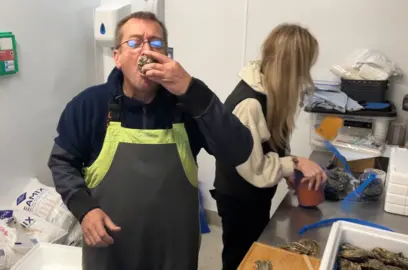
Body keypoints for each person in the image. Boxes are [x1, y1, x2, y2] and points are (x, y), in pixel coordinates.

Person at [48, 11, 255, 270]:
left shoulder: (188, 105)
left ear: (166, 55)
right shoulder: (88, 105)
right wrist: (84, 209)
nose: (146, 50)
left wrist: (192, 90)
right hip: (110, 250)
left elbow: (240, 150)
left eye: (156, 44)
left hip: (174, 254)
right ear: (117, 57)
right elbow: (62, 163)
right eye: (134, 43)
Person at [211, 23, 328, 270]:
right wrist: (293, 163)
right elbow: (255, 169)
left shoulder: (270, 90)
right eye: (304, 65)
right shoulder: (250, 104)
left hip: (255, 195)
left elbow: (270, 143)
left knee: (253, 250)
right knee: (240, 258)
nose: (305, 73)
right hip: (239, 197)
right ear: (291, 65)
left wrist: (287, 169)